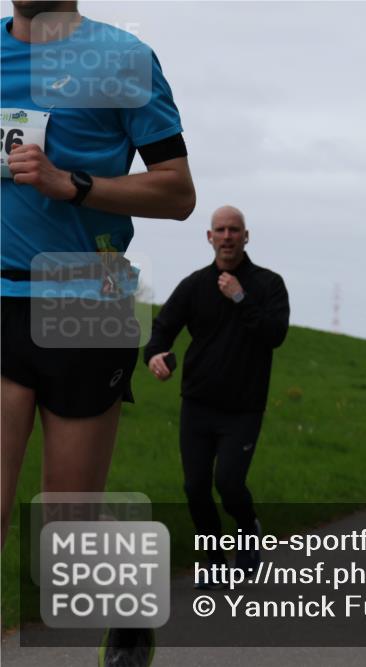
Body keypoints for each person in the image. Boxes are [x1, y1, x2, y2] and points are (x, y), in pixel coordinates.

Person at [1, 3, 195, 664]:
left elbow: (177, 192)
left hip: (91, 294)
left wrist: (71, 183)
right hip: (1, 291)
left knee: (66, 526)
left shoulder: (121, 59)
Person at [144, 206, 289, 583]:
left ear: (246, 236)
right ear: (209, 238)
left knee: (228, 482)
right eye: (220, 230)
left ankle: (247, 528)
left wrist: (241, 298)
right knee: (195, 487)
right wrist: (154, 355)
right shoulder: (194, 285)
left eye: (234, 230)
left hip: (243, 407)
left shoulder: (268, 285)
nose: (227, 236)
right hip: (197, 403)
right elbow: (162, 328)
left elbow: (275, 335)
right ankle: (212, 559)